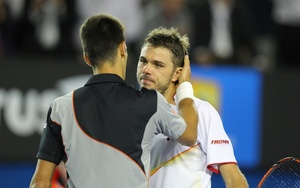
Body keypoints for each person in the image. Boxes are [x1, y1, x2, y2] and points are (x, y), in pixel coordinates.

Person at [29, 14, 198, 188]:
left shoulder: (61, 107)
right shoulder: (151, 103)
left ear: (86, 57)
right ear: (123, 48)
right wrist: (184, 85)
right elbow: (190, 135)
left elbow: (40, 183)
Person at [136, 26, 249, 187]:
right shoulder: (129, 111)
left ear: (177, 74)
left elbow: (232, 178)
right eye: (143, 61)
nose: (146, 70)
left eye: (158, 65)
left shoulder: (203, 111)